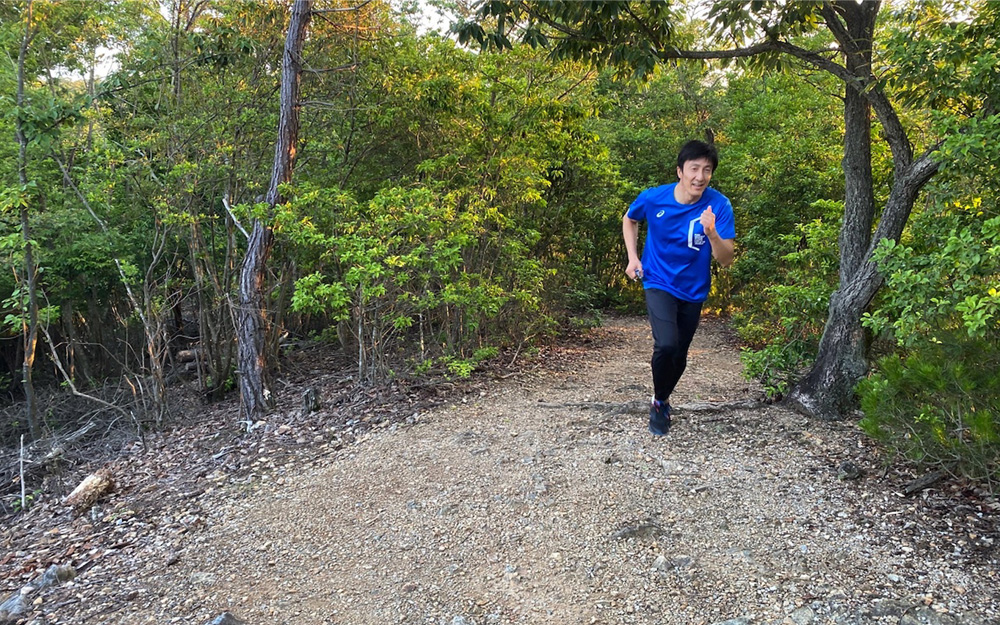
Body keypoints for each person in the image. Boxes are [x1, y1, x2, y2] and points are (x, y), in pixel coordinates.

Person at [622, 140, 735, 436]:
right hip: (657, 279)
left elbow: (726, 259)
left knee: (680, 354)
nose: (700, 176)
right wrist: (633, 258)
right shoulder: (654, 198)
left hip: (694, 289)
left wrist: (712, 233)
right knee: (667, 344)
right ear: (680, 171)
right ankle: (659, 404)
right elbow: (630, 219)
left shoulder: (719, 205)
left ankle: (662, 397)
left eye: (707, 170)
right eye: (694, 168)